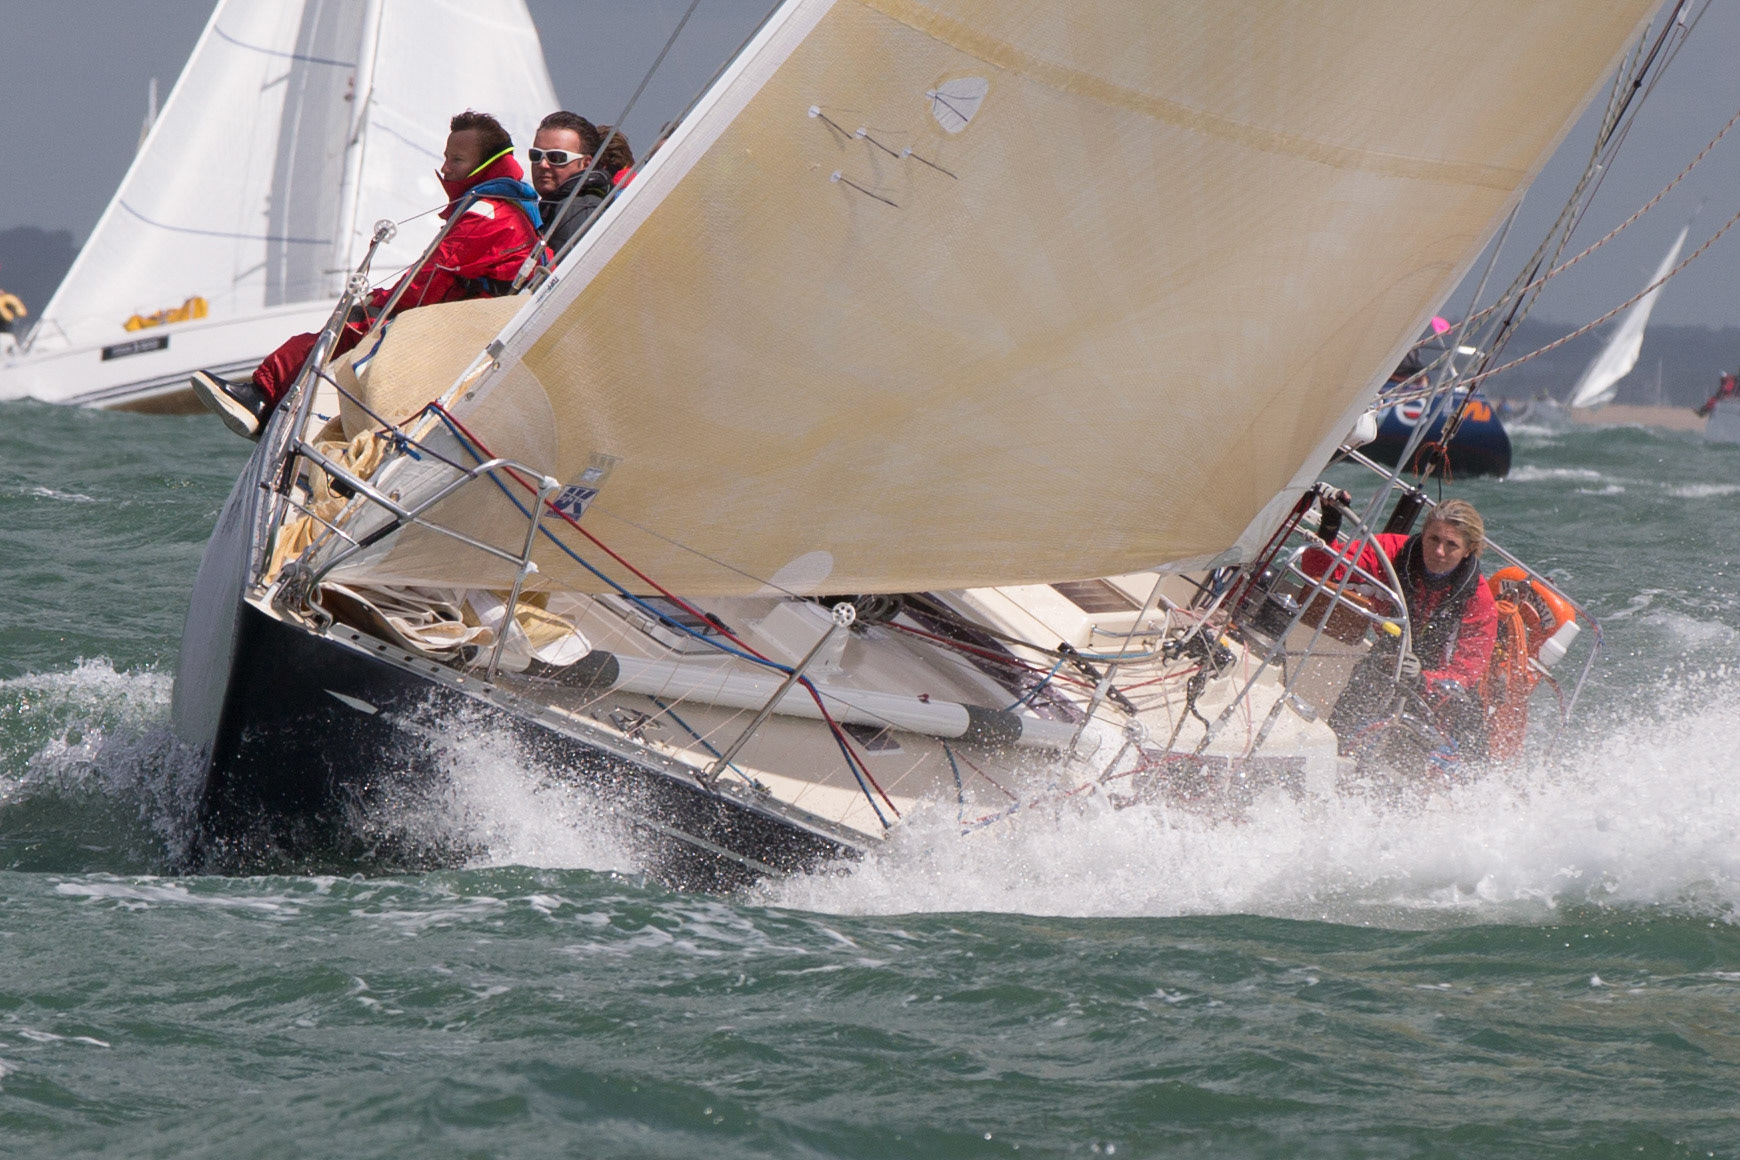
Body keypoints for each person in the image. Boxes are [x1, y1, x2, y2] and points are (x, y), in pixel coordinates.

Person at [190, 110, 545, 438]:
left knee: (348, 326)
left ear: (486, 165)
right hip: (466, 323)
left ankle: (261, 397)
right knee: (357, 323)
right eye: (446, 157)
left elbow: (425, 284)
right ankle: (273, 407)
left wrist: (379, 302)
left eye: (457, 160)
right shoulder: (507, 209)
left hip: (454, 328)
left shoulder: (485, 214)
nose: (445, 168)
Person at [1303, 499, 1498, 762]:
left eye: (1451, 544)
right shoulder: (1390, 552)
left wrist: (1423, 680)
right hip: (1390, 655)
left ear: (1468, 550)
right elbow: (1320, 570)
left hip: (1439, 685)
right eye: (1433, 539)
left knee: (1439, 748)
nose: (1438, 551)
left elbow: (1466, 673)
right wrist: (1328, 527)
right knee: (1353, 706)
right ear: (1423, 534)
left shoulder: (1478, 599)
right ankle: (1336, 757)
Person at [530, 111, 611, 258]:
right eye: (536, 155)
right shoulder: (559, 204)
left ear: (586, 163)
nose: (542, 164)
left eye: (556, 157)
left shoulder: (579, 208)